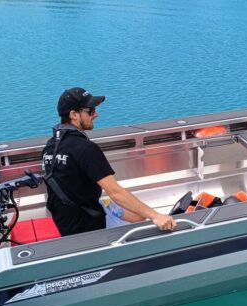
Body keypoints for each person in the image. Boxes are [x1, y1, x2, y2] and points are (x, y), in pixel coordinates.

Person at [43, 87, 177, 237]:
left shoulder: (50, 146)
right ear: (73, 114)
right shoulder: (85, 148)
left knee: (138, 215)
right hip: (88, 228)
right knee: (149, 222)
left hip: (67, 222)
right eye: (90, 111)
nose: (96, 114)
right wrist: (156, 216)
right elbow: (115, 192)